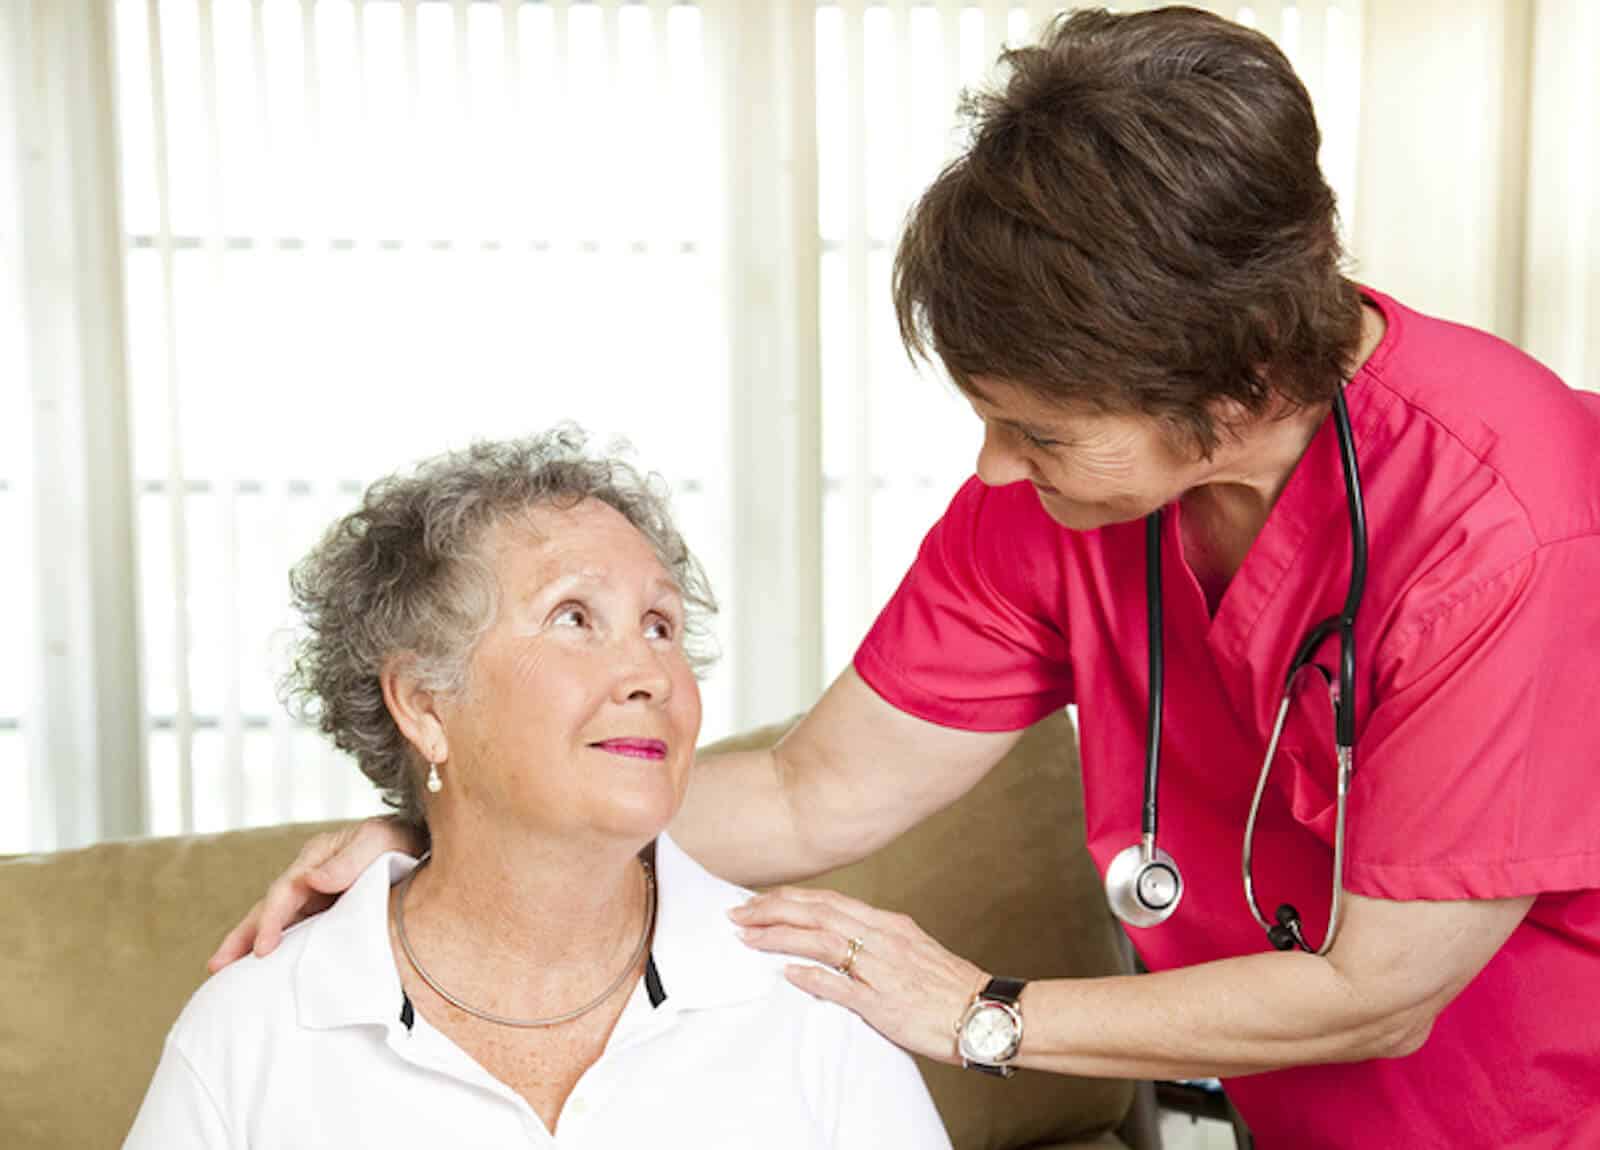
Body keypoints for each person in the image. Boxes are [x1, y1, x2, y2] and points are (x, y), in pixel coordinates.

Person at [211, 9, 1600, 1148]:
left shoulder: (1511, 523)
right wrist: (481, 835)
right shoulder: (1065, 496)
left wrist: (981, 1011)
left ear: (1233, 393)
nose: (992, 468)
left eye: (1040, 430)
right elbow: (816, 789)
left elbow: (1382, 991)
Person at [127, 432, 950, 1148]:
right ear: (423, 703)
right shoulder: (256, 1028)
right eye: (573, 618)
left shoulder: (810, 1002)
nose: (649, 674)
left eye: (660, 626)